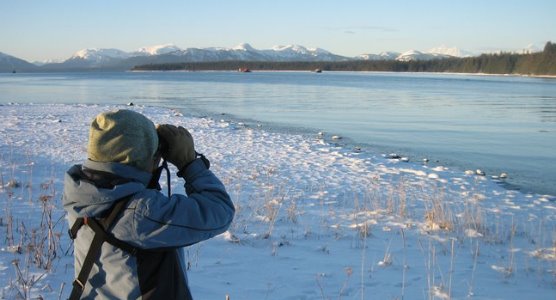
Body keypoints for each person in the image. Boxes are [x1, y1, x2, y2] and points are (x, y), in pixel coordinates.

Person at [63, 109, 234, 299]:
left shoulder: (83, 194)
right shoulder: (141, 212)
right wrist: (189, 163)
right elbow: (220, 211)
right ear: (137, 159)